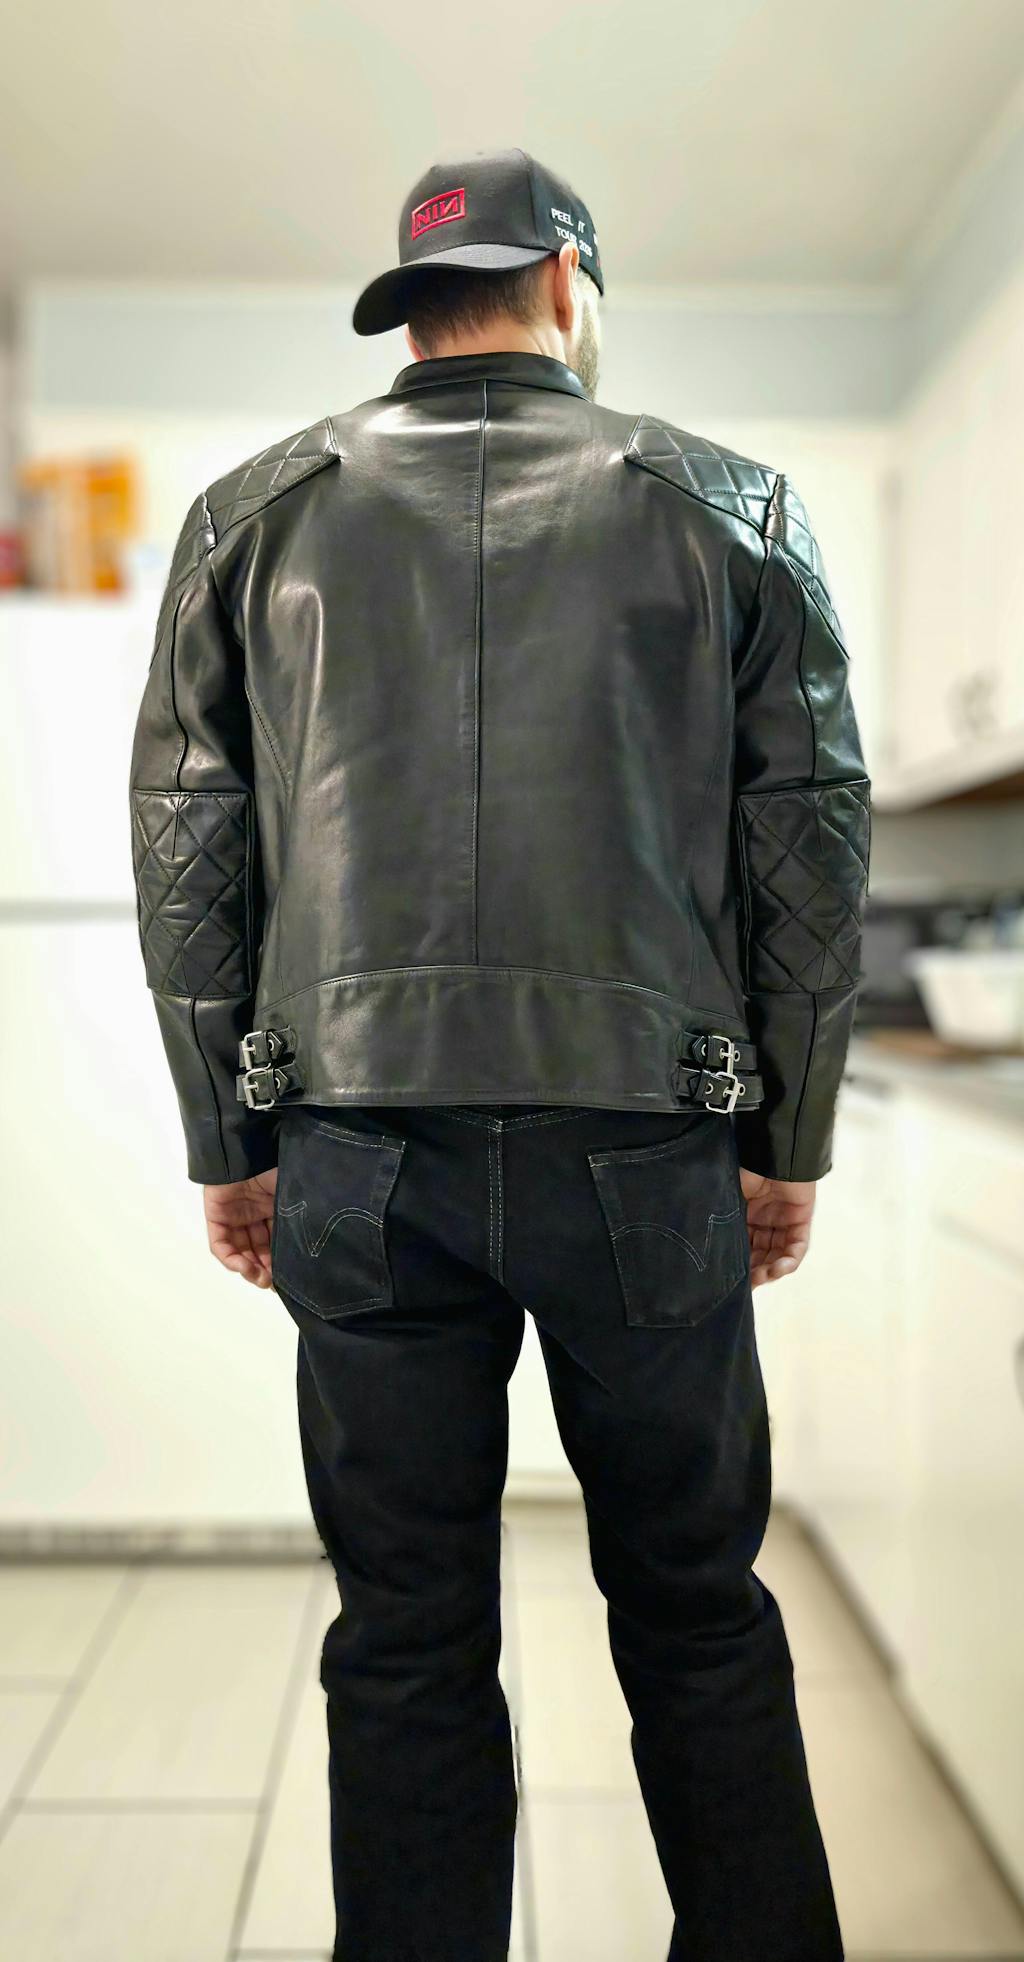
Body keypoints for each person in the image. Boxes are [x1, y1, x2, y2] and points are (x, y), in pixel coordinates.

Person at [128, 146, 869, 1962]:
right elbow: (812, 843)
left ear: (411, 314)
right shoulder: (731, 505)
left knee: (404, 1631)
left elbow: (188, 843)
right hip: (650, 1143)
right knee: (697, 1612)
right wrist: (789, 1137)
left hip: (359, 1145)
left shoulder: (249, 516)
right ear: (565, 289)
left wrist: (230, 1139)